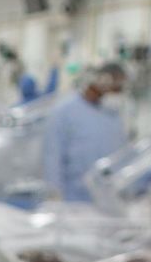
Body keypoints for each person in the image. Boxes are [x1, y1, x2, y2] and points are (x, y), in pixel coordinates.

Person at [42, 63, 127, 202]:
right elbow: (52, 156)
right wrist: (54, 193)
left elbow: (119, 153)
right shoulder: (64, 112)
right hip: (73, 198)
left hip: (107, 199)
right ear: (103, 82)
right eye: (116, 88)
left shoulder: (113, 115)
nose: (118, 93)